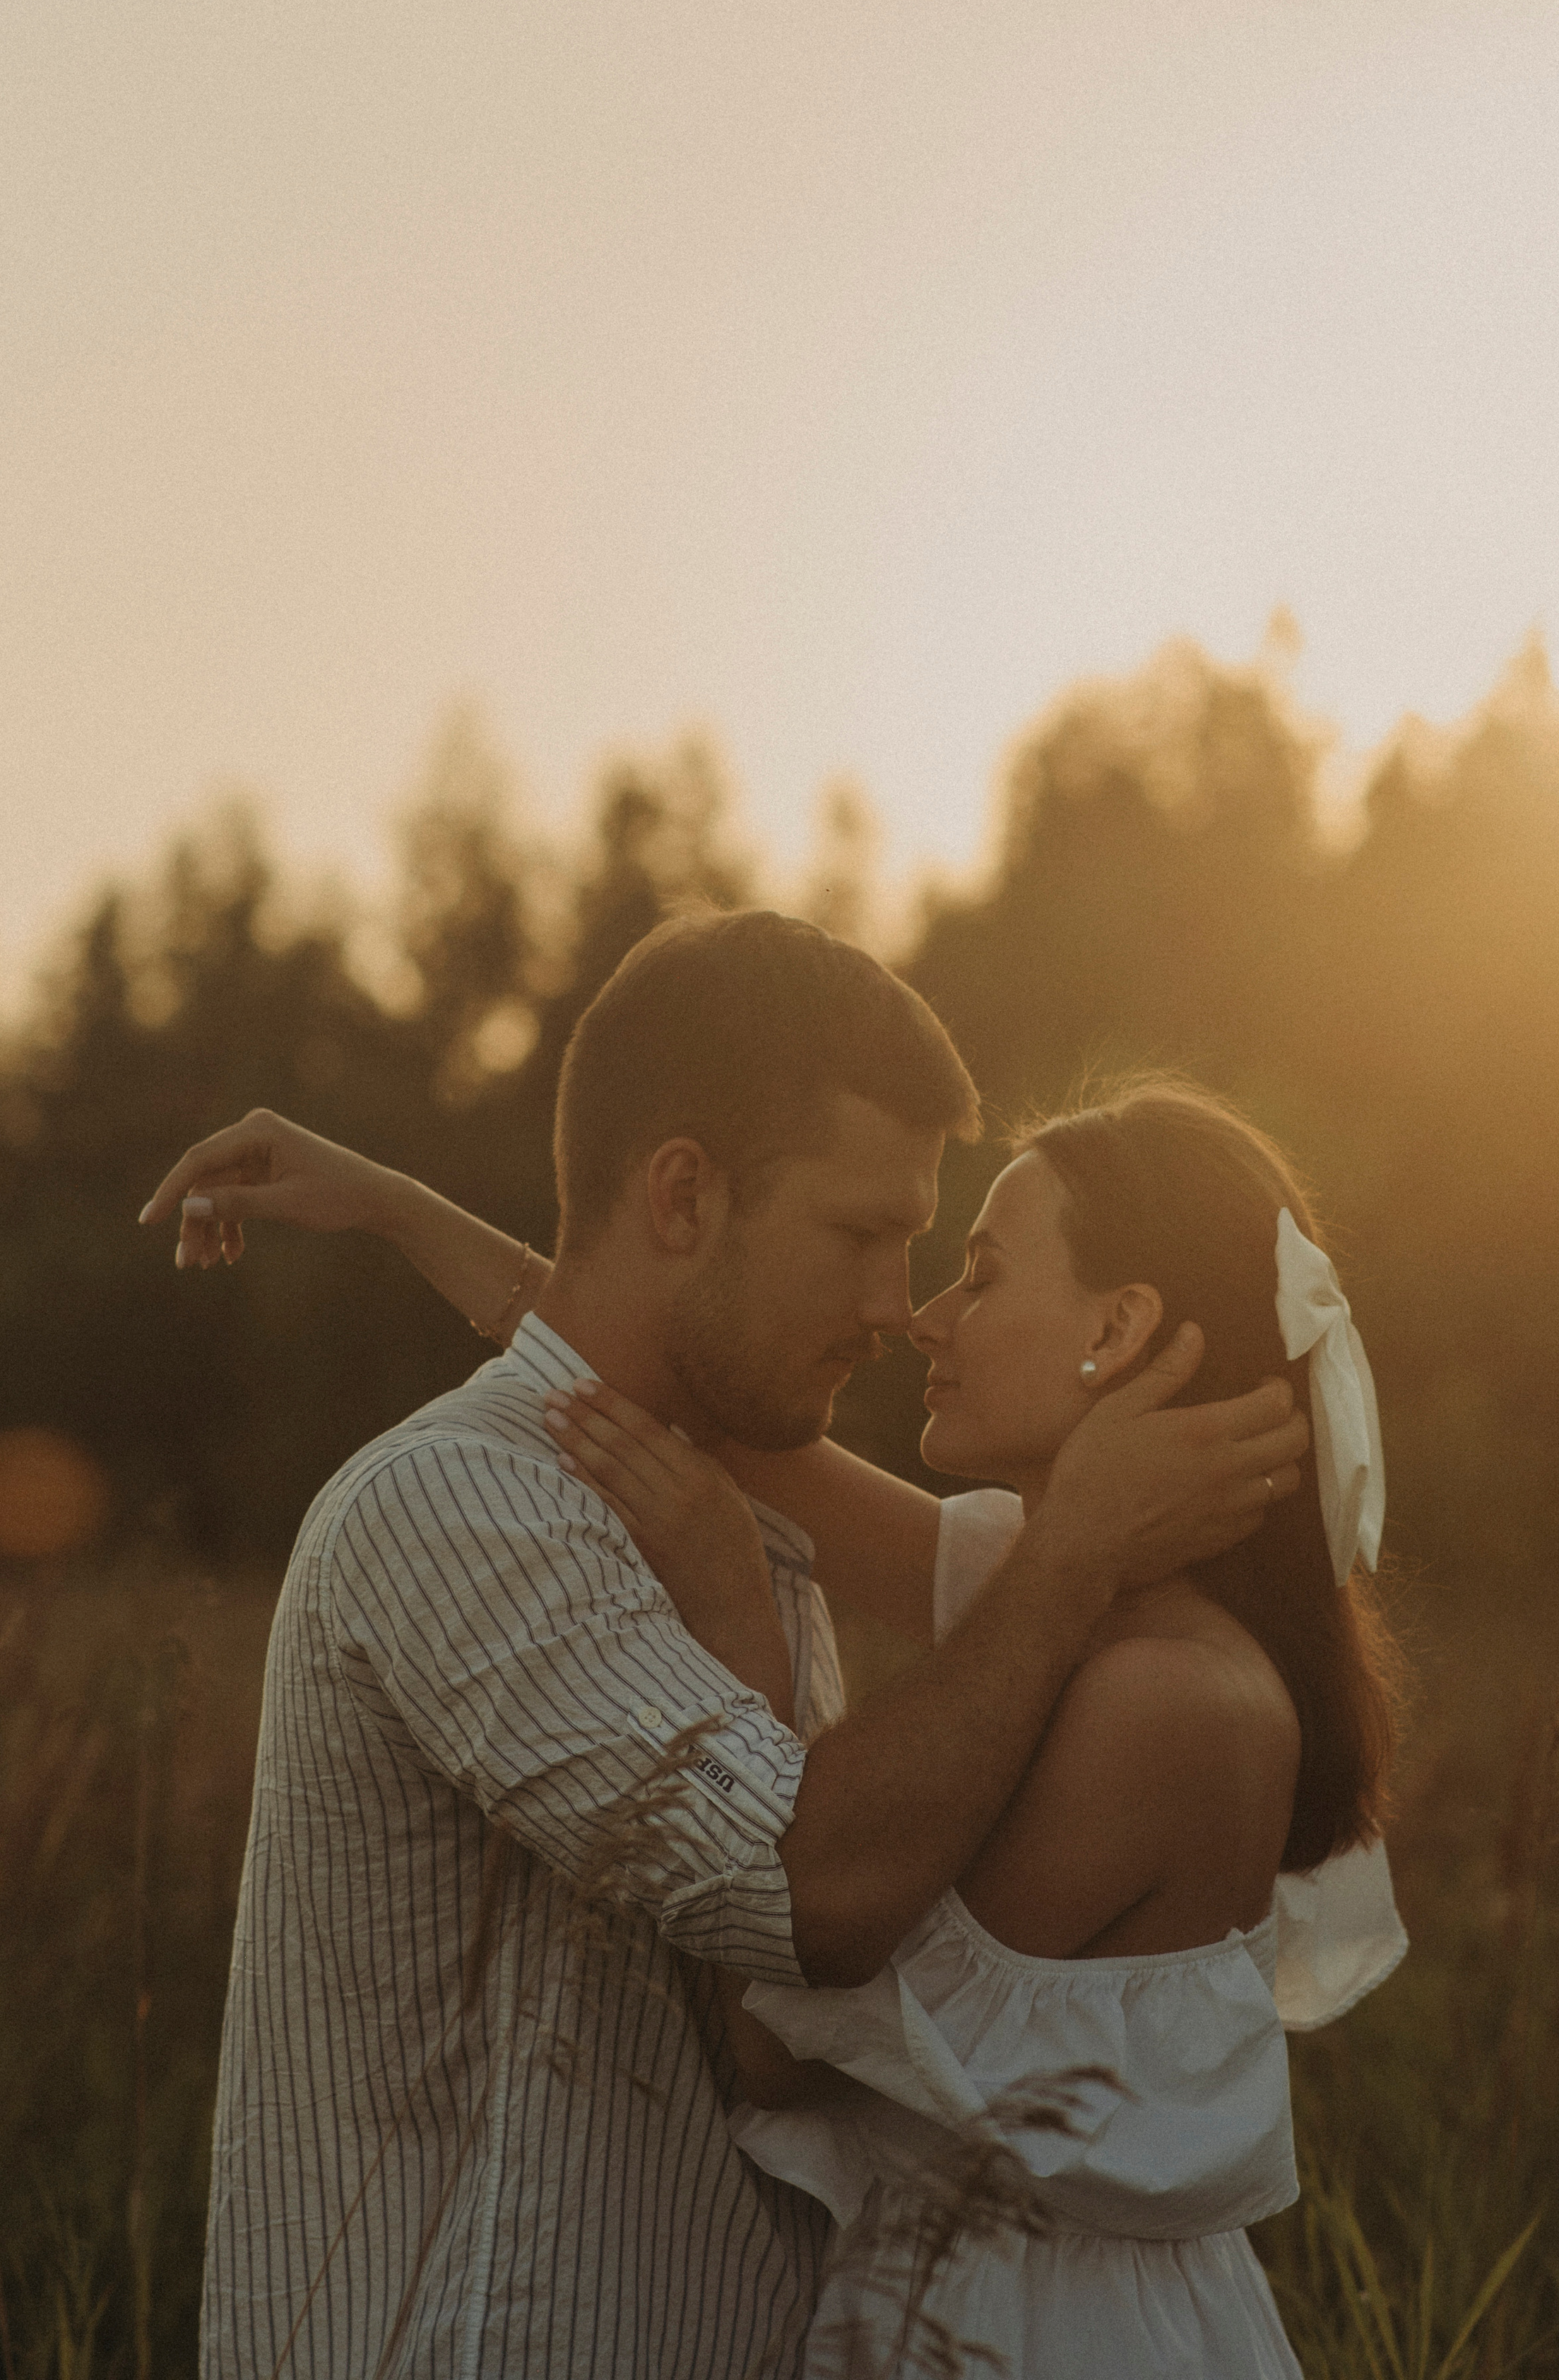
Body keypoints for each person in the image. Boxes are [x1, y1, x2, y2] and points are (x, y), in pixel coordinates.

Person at [143, 911, 1313, 2380]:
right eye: (863, 1236)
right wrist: (397, 1210)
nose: (903, 1310)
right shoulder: (462, 1506)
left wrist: (401, 1207)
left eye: (949, 1257)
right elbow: (803, 1898)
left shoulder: (751, 1504)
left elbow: (607, 1346)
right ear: (685, 1194)